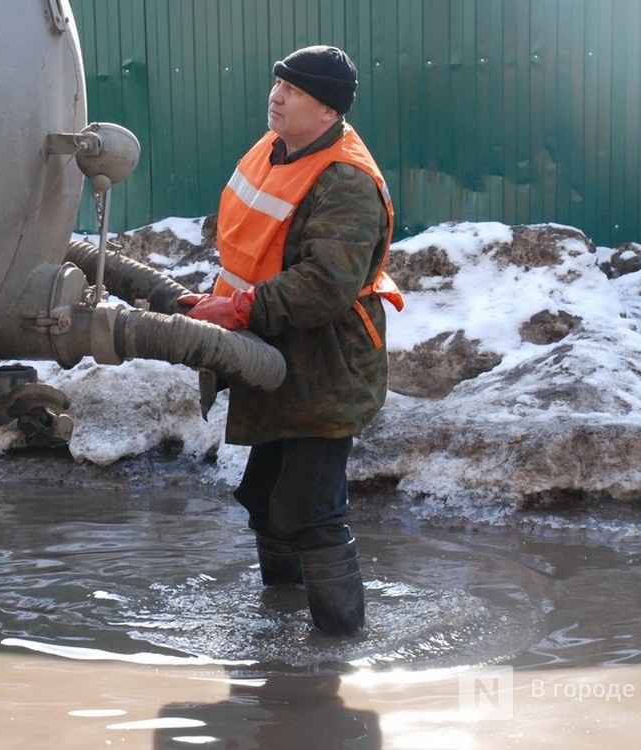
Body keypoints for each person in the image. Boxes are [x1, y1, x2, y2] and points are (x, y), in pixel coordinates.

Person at [178, 44, 403, 636]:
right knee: (264, 495)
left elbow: (326, 285)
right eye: (278, 84)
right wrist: (219, 301)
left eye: (294, 92)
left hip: (325, 365)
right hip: (270, 350)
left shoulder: (346, 181)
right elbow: (255, 246)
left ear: (327, 112)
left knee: (308, 508)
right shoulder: (274, 148)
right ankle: (279, 618)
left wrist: (238, 307)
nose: (276, 97)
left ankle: (337, 645)